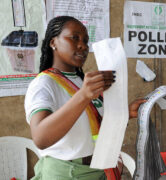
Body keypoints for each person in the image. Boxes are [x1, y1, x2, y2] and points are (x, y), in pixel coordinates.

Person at [24, 16, 145, 179]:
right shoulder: (43, 83)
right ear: (53, 42)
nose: (83, 45)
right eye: (74, 38)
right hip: (67, 172)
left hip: (98, 169)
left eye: (86, 41)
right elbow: (40, 137)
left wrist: (126, 113)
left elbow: (92, 125)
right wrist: (83, 95)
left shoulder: (82, 81)